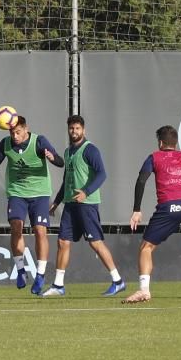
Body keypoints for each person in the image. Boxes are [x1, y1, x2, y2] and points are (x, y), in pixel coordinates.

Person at [123, 125, 181, 304]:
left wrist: (136, 209)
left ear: (160, 142)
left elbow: (141, 180)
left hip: (170, 206)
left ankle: (144, 290)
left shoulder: (154, 157)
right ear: (176, 143)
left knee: (146, 248)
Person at [0, 115, 64, 294]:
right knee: (16, 226)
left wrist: (51, 157)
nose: (15, 136)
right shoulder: (6, 144)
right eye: (12, 132)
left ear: (26, 129)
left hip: (39, 193)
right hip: (17, 192)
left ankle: (40, 274)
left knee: (40, 230)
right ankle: (21, 270)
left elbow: (60, 162)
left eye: (18, 132)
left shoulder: (39, 141)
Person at [43, 115, 125, 297]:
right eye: (71, 128)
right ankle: (58, 285)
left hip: (87, 204)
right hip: (70, 205)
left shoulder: (90, 150)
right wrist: (56, 202)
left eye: (77, 128)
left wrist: (86, 192)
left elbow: (102, 174)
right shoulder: (67, 152)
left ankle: (118, 281)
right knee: (63, 242)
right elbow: (66, 181)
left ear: (83, 130)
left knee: (95, 243)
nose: (74, 131)